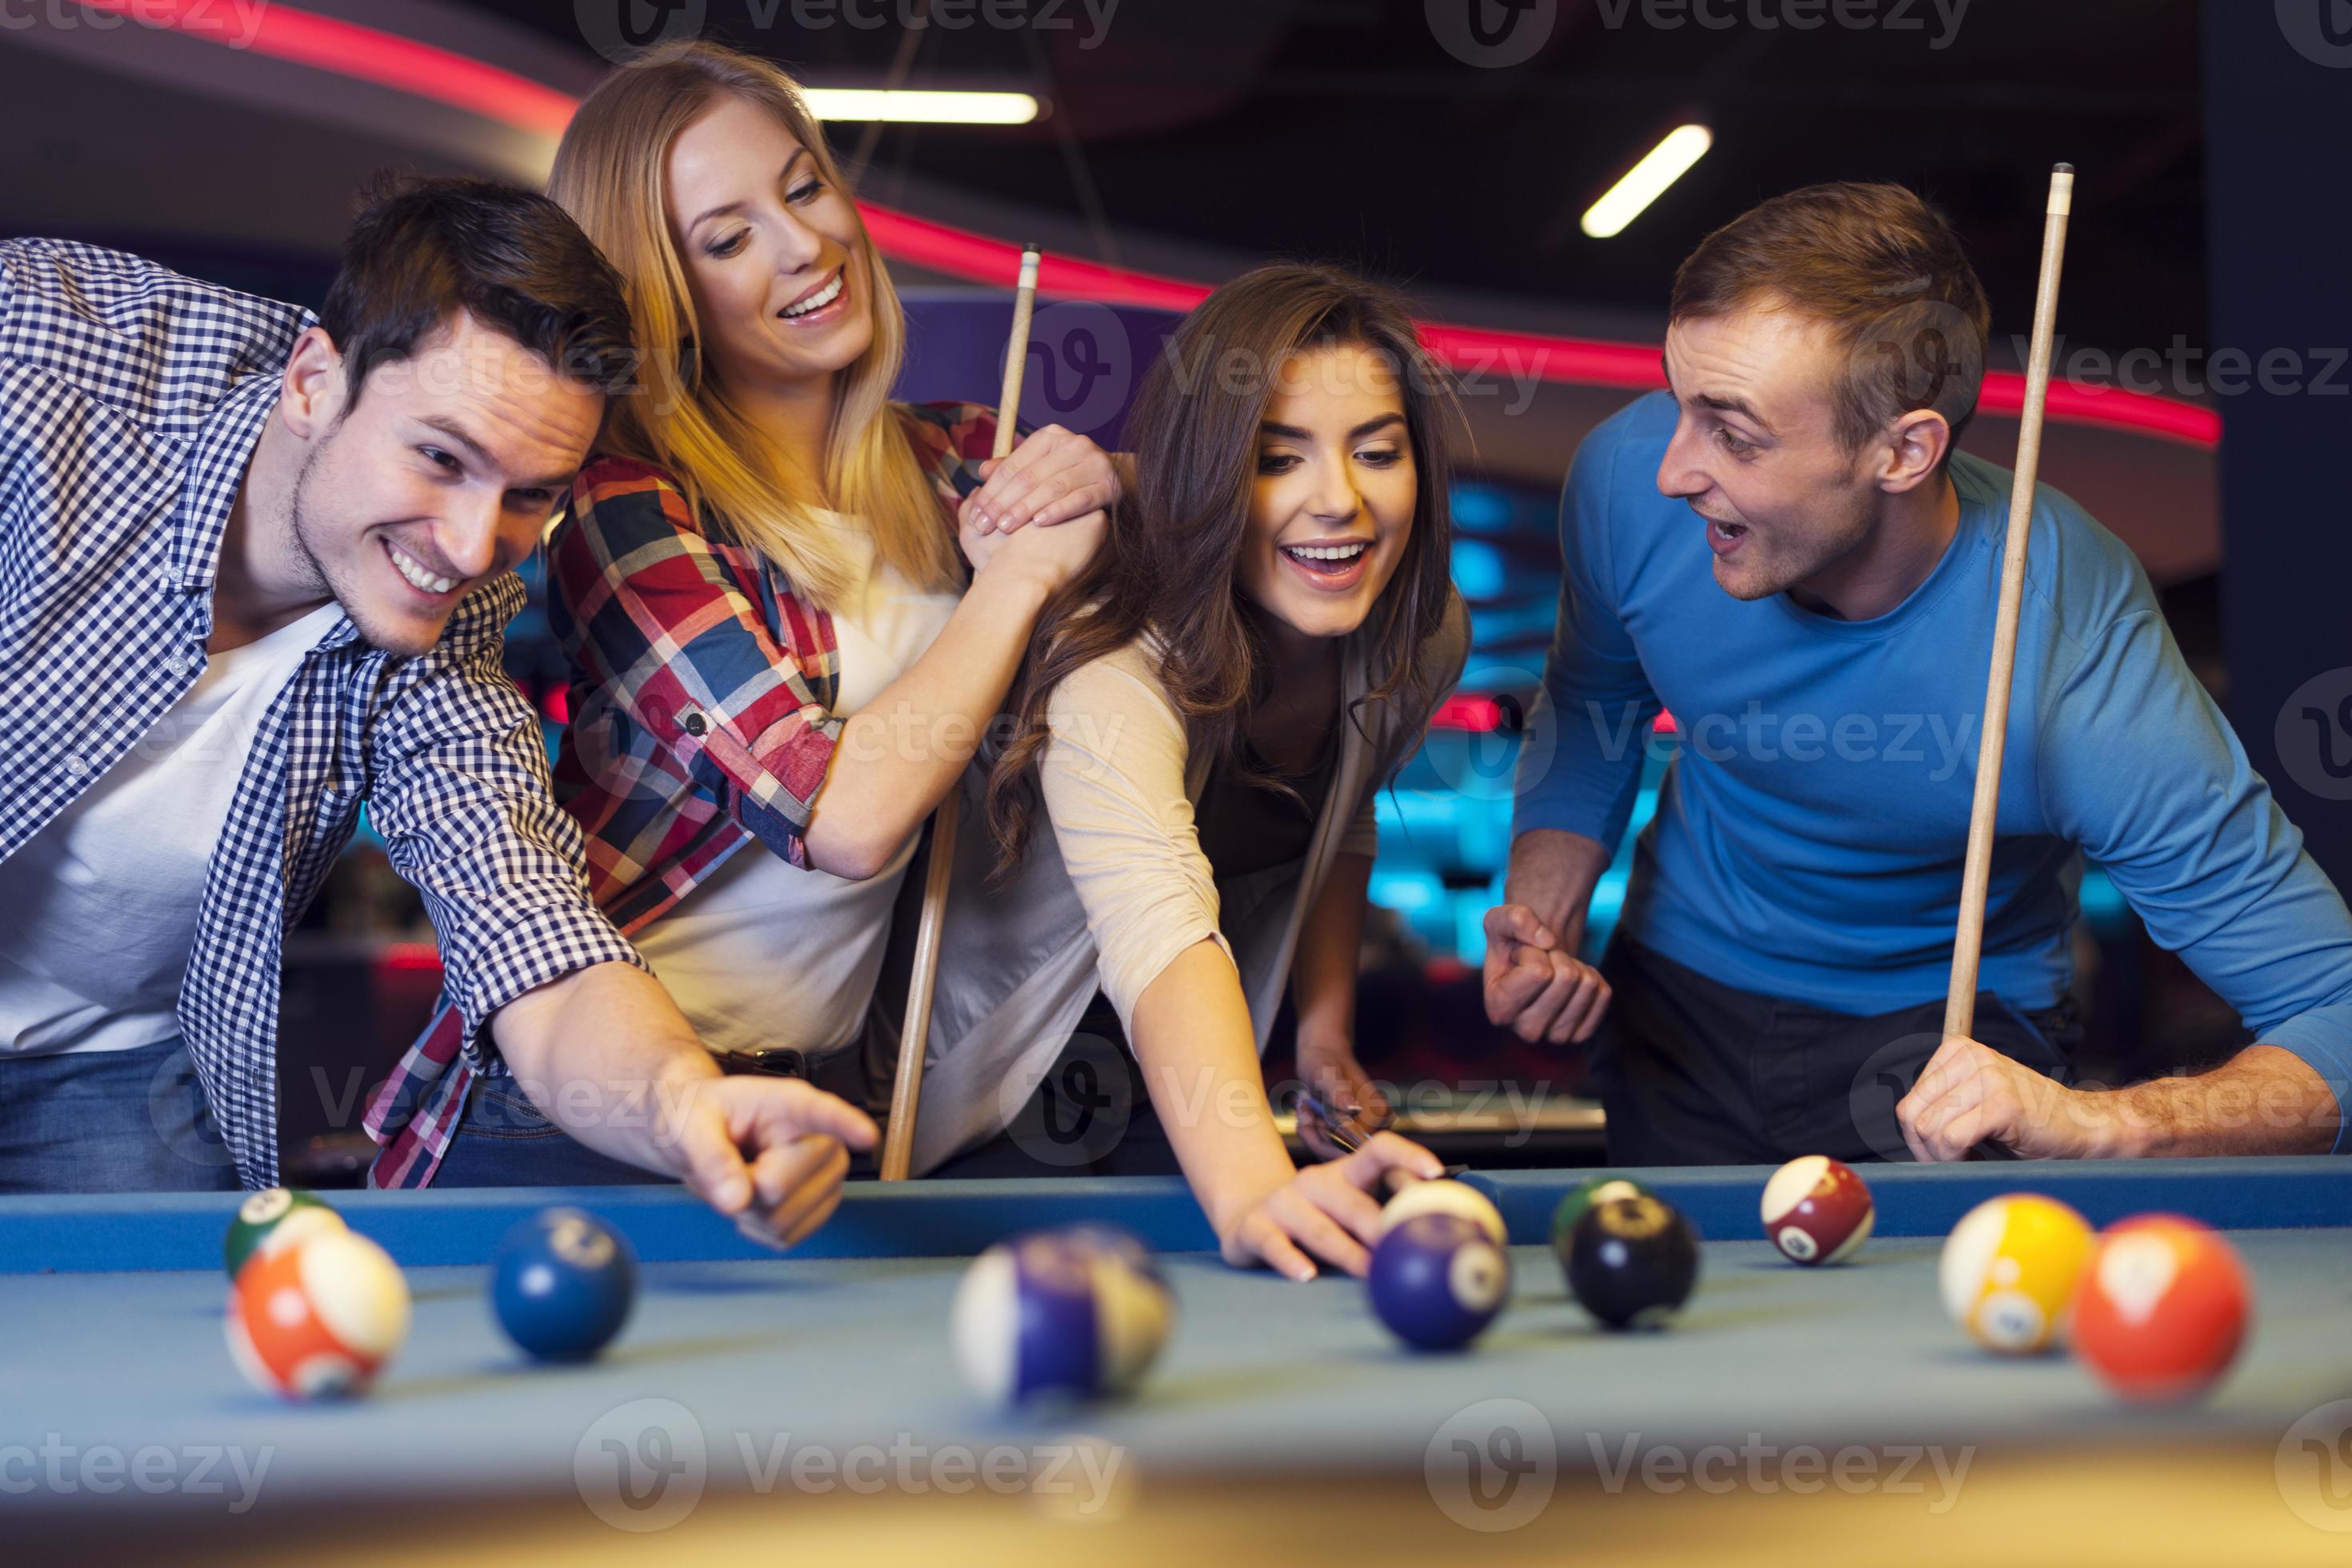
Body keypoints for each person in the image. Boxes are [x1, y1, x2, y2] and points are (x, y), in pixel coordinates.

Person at [0, 175, 875, 1238]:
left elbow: (535, 944)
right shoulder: (44, 357)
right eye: (441, 458)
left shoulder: (442, 647)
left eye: (527, 495)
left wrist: (682, 1102)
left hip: (111, 1068)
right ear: (317, 380)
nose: (469, 548)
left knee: (141, 1384)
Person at [366, 41, 1118, 1188]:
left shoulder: (956, 454)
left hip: (805, 1090)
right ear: (663, 298)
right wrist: (1015, 581)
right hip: (589, 1101)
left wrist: (1109, 477)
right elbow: (839, 818)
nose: (805, 245)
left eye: (803, 187)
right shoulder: (630, 508)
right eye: (727, 238)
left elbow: (1196, 523)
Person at [1485, 181, 2352, 1165]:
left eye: (1733, 430)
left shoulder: (2073, 655)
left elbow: (2340, 1014)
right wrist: (1541, 918)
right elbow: (1594, 703)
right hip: (1673, 1003)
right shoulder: (1627, 486)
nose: (1672, 469)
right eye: (1681, 403)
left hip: (1945, 1042)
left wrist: (2107, 1123)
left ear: (1903, 451)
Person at [886, 262, 1471, 1281]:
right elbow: (1160, 921)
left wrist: (1324, 1035)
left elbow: (1344, 817)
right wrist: (1250, 1185)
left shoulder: (1420, 637)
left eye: (1377, 452)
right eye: (1277, 460)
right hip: (1009, 1089)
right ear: (1205, 478)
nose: (1339, 501)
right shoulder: (1114, 669)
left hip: (1204, 1076)